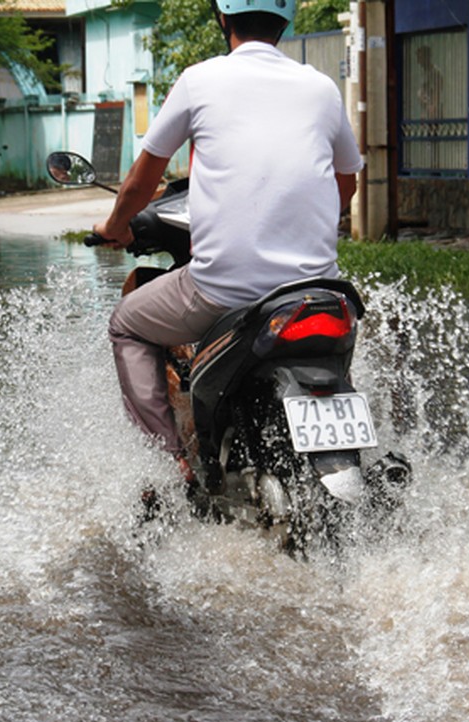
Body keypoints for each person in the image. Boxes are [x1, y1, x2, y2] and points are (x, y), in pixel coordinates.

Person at [94, 0, 362, 482]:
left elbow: (139, 183)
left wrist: (115, 226)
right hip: (319, 294)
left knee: (126, 324)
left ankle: (169, 462)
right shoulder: (322, 88)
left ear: (223, 17)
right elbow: (346, 185)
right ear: (286, 21)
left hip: (225, 291)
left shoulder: (200, 80)